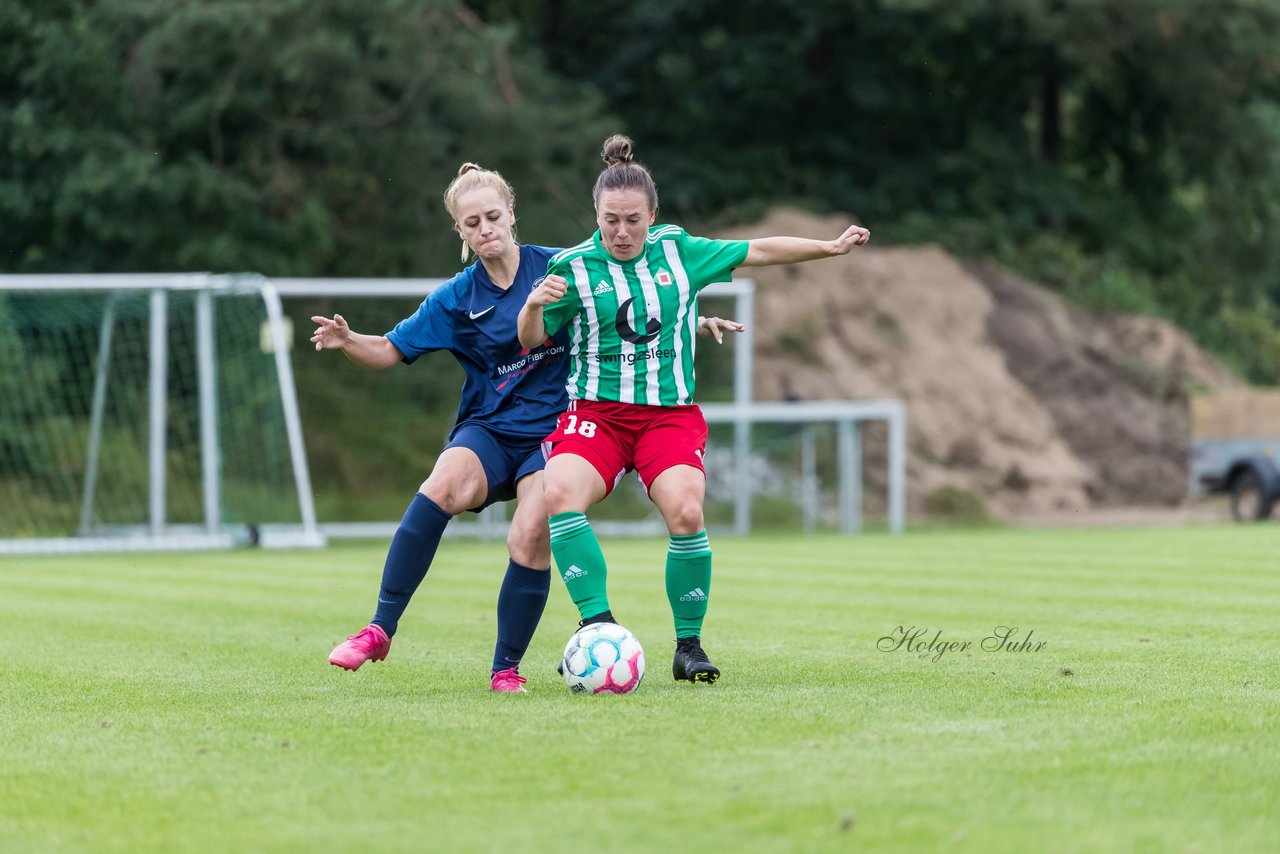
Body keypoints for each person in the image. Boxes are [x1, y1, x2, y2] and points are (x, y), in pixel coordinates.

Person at [315, 162, 743, 692]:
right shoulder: (455, 298)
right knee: (442, 485)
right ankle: (379, 629)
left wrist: (694, 321)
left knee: (531, 533)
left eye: (493, 216)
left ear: (512, 214)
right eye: (471, 223)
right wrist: (349, 340)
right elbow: (388, 350)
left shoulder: (560, 268)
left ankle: (505, 670)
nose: (485, 229)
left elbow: (625, 313)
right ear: (461, 232)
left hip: (559, 430)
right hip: (489, 428)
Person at [517, 135, 870, 684]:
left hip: (667, 417)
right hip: (598, 415)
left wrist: (827, 247)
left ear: (652, 216)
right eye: (611, 220)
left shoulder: (680, 252)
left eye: (634, 220)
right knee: (558, 491)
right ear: (596, 215)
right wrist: (534, 304)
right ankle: (599, 628)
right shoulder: (573, 268)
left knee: (686, 512)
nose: (622, 232)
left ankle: (688, 647)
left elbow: (759, 250)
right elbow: (530, 338)